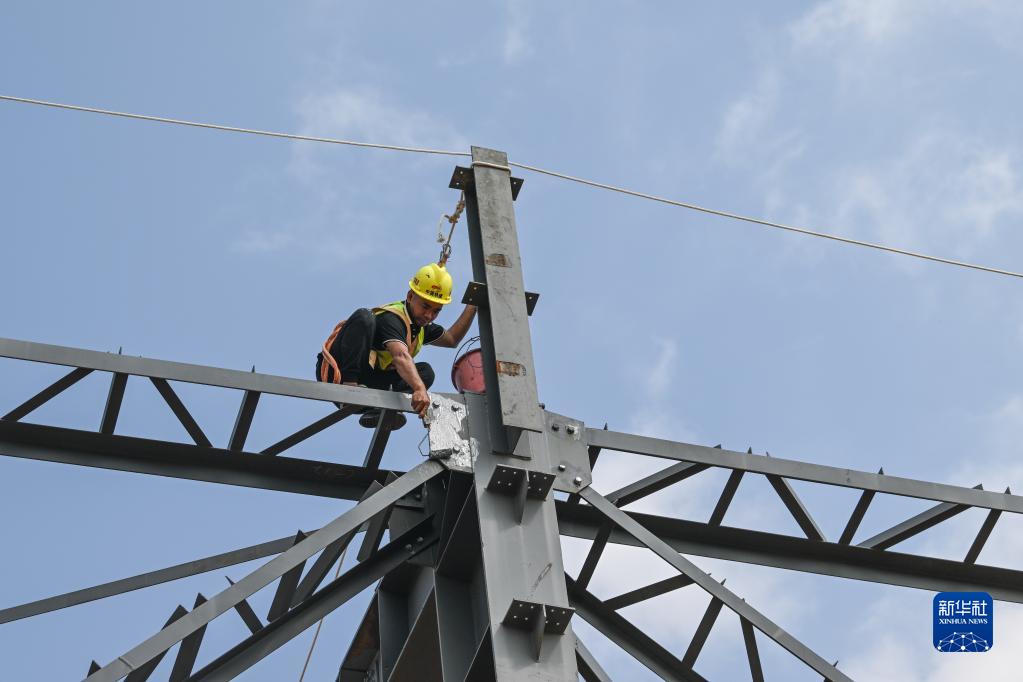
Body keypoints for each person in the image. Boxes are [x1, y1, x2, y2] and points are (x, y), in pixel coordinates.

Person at [316, 262, 476, 430]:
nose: (429, 315)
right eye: (425, 306)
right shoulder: (393, 319)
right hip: (340, 374)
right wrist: (419, 389)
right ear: (410, 296)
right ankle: (349, 391)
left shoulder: (420, 326)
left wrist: (473, 305)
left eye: (436, 311)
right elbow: (400, 356)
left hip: (369, 380)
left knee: (425, 372)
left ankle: (380, 410)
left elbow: (451, 339)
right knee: (364, 316)